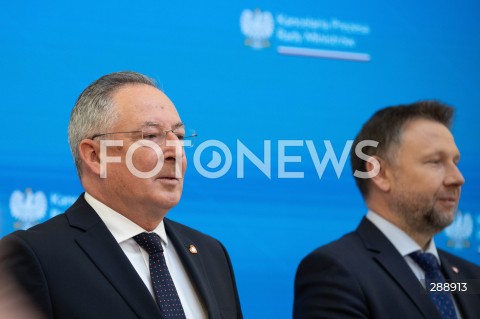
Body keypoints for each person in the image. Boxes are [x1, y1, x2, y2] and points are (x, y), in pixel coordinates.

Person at [0, 71, 243, 319]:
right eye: (150, 137)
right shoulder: (36, 257)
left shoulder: (211, 253)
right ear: (95, 155)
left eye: (179, 137)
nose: (176, 152)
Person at [293, 101, 480, 318]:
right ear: (380, 174)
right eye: (435, 162)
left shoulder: (469, 277)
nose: (458, 178)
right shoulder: (335, 271)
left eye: (455, 162)